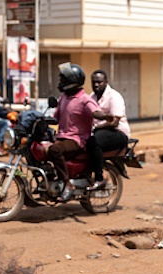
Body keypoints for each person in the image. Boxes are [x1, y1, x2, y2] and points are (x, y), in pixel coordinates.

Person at [50, 62, 112, 201]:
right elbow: (55, 118)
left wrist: (104, 116)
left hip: (77, 140)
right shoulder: (63, 98)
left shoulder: (84, 99)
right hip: (62, 136)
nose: (60, 82)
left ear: (72, 81)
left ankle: (67, 185)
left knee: (55, 150)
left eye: (63, 79)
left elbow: (95, 111)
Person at [88, 69, 131, 190]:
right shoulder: (91, 97)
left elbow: (114, 122)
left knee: (94, 141)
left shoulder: (114, 96)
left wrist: (95, 127)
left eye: (99, 82)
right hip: (101, 131)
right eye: (94, 82)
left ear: (106, 82)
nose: (96, 85)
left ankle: (99, 179)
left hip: (118, 133)